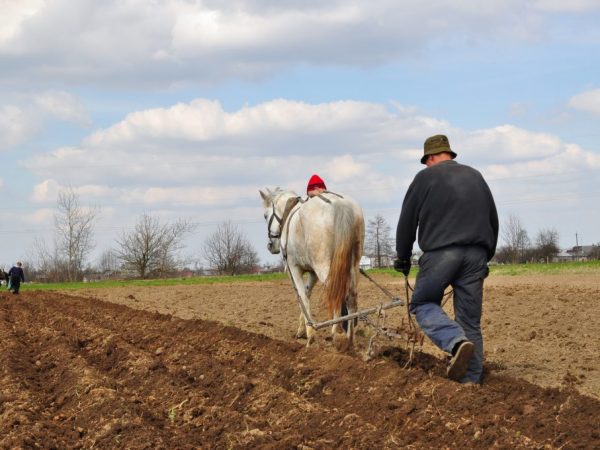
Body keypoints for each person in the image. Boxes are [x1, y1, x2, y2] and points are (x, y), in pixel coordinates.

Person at [394, 134, 498, 384]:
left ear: (430, 158)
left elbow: (407, 221)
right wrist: (485, 257)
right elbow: (493, 219)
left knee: (423, 303)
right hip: (476, 254)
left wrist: (404, 257)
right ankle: (470, 381)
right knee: (470, 321)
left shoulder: (424, 178)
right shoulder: (475, 175)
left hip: (442, 253)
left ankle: (455, 341)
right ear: (449, 154)